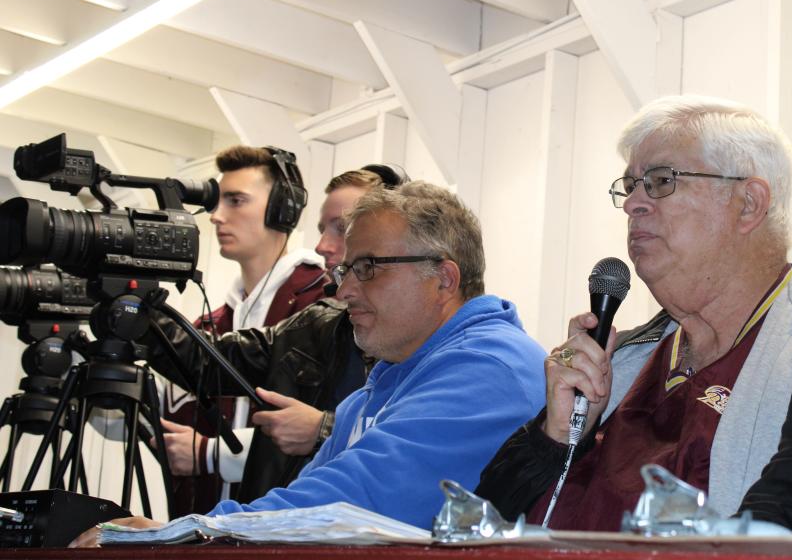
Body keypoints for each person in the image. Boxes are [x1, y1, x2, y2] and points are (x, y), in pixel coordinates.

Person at [73, 181, 545, 546]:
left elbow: (352, 504)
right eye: (346, 271)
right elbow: (306, 503)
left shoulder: (490, 368)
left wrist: (182, 534)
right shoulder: (378, 389)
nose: (344, 292)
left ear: (443, 278)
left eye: (369, 268)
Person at [475, 95, 792, 530]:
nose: (632, 203)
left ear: (748, 203)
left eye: (660, 180)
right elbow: (484, 517)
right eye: (630, 185)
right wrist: (557, 438)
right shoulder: (623, 358)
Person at [159, 166, 404, 508]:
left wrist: (323, 429)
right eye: (322, 229)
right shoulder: (319, 324)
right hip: (285, 530)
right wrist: (139, 311)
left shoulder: (434, 343)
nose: (321, 246)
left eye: (342, 228)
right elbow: (213, 361)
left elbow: (419, 440)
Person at [160, 144, 328, 516]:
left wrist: (208, 453)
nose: (217, 216)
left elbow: (330, 431)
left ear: (281, 210)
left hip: (286, 533)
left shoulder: (321, 306)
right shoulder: (209, 323)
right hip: (204, 533)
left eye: (236, 200)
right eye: (217, 203)